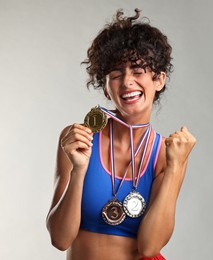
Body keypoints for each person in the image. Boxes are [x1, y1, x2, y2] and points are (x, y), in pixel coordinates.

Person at [46, 8, 196, 260]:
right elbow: (60, 239)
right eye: (115, 74)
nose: (127, 82)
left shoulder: (166, 154)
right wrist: (79, 170)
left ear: (158, 80)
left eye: (138, 71)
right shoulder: (79, 139)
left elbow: (150, 247)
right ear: (106, 89)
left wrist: (174, 167)